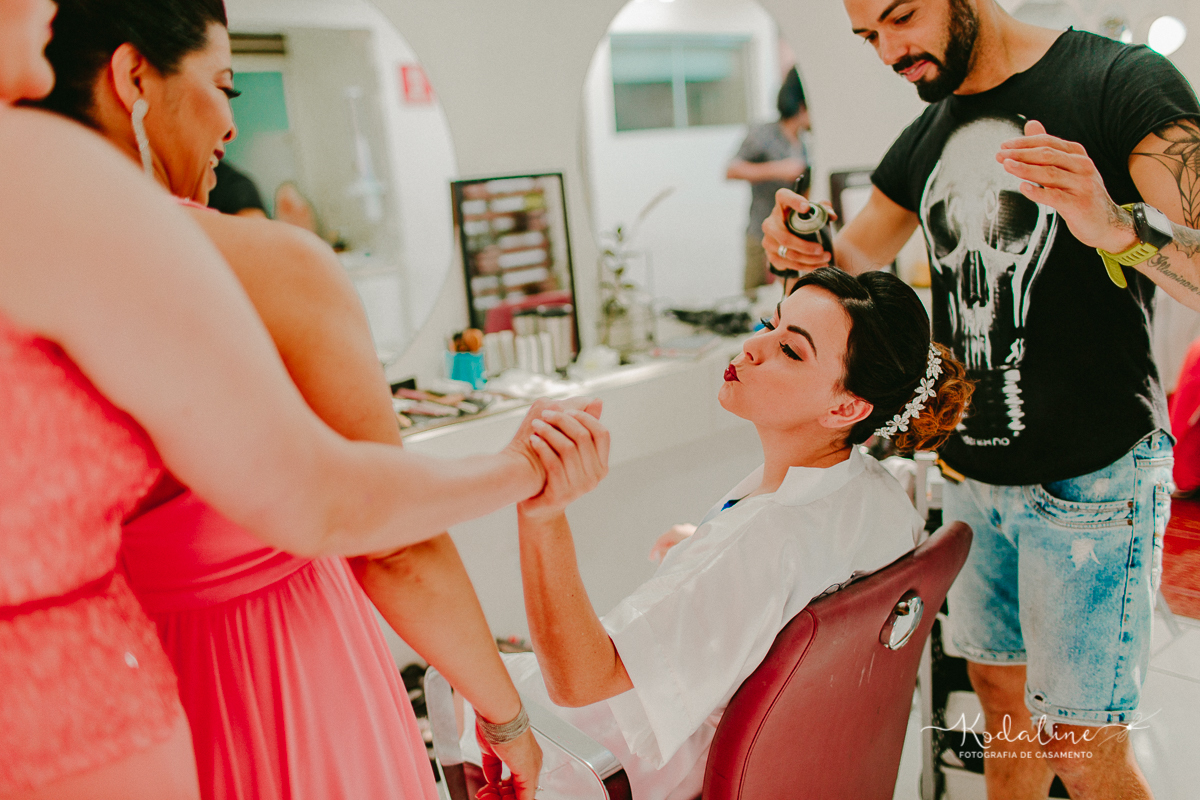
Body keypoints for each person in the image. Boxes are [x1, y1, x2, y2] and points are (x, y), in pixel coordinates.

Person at [0, 1, 601, 796]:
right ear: (133, 77)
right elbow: (388, 544)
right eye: (225, 87)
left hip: (126, 676)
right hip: (279, 675)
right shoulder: (269, 267)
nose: (231, 127)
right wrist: (507, 719)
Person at [761, 1, 1200, 797]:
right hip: (973, 484)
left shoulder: (1118, 85)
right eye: (870, 38)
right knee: (1000, 712)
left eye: (902, 18)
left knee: (1080, 745)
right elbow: (853, 264)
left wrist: (1118, 233)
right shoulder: (933, 133)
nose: (891, 51)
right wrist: (805, 246)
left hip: (1092, 479)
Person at [457, 268, 973, 800]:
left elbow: (580, 681)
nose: (752, 348)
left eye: (791, 351)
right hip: (792, 765)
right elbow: (787, 571)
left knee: (454, 684)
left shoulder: (758, 544)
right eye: (769, 325)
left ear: (846, 407)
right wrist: (704, 547)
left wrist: (542, 514)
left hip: (670, 768)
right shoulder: (883, 497)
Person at [726, 68, 811, 297]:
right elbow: (731, 170)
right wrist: (778, 169)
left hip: (792, 237)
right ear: (802, 107)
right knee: (754, 298)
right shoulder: (763, 133)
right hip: (760, 233)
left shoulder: (804, 141)